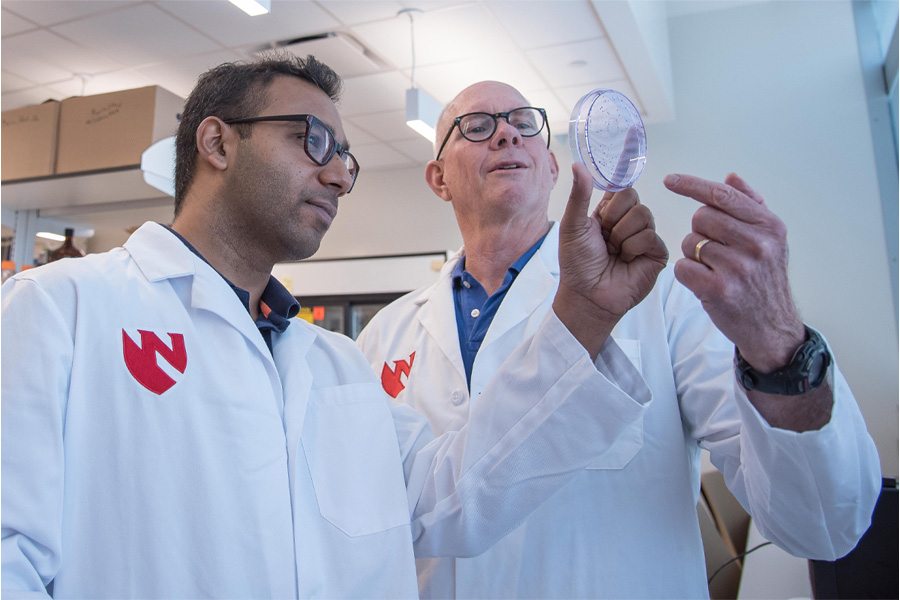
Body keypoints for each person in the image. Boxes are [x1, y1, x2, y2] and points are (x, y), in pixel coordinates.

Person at [0, 56, 672, 598]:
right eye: (312, 140)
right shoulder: (62, 308)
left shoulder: (338, 365)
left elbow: (454, 495)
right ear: (217, 141)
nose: (337, 176)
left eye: (345, 157)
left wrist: (581, 319)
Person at [356, 81, 882, 598]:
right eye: (476, 126)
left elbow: (820, 524)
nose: (507, 136)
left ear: (553, 165)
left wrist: (779, 345)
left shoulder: (660, 298)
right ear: (438, 177)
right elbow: (373, 517)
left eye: (523, 123)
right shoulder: (385, 334)